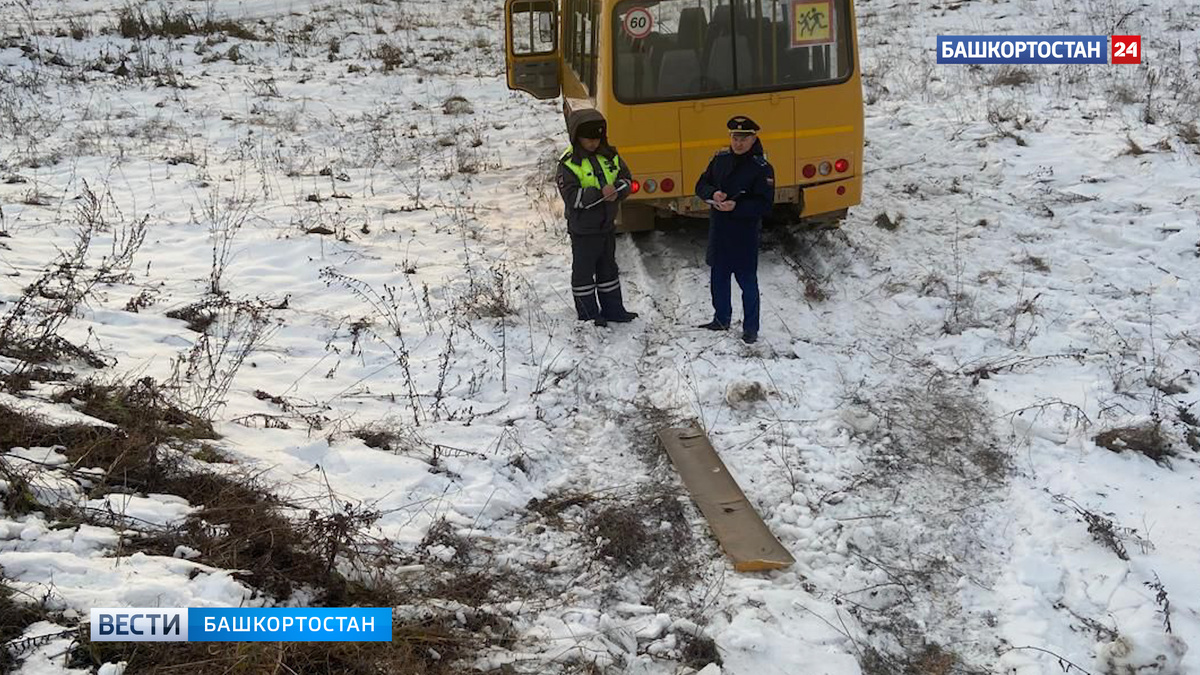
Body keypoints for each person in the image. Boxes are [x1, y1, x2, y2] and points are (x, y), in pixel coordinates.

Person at [694, 116, 775, 344]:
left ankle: (751, 328)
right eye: (734, 137)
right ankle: (721, 319)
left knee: (747, 282)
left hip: (744, 233)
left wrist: (737, 205)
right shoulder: (720, 160)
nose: (738, 143)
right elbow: (700, 185)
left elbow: (765, 204)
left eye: (744, 138)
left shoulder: (762, 168)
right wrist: (713, 194)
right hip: (719, 229)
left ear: (754, 138)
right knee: (718, 278)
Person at [555, 109, 639, 326]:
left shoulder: (610, 155)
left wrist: (619, 190)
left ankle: (614, 310)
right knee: (583, 274)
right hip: (583, 230)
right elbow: (572, 197)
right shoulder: (568, 163)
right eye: (588, 139)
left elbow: (627, 180)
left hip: (607, 227)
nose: (593, 143)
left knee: (608, 270)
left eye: (597, 138)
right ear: (577, 137)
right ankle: (588, 314)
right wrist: (600, 193)